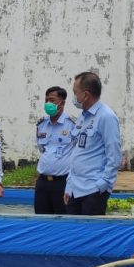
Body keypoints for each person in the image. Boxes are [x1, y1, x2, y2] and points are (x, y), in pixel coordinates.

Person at [65, 72, 121, 215]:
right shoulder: (83, 116)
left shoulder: (106, 116)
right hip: (75, 190)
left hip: (93, 190)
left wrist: (102, 185)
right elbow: (77, 152)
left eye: (75, 93)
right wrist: (69, 186)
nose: (74, 98)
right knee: (74, 234)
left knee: (91, 235)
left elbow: (114, 155)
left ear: (85, 95)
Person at [34, 86, 77, 214]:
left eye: (52, 100)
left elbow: (77, 152)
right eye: (46, 100)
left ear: (62, 102)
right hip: (42, 182)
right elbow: (42, 149)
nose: (48, 103)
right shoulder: (41, 125)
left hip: (62, 183)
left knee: (63, 218)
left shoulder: (72, 125)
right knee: (40, 219)